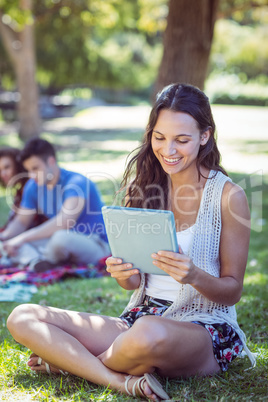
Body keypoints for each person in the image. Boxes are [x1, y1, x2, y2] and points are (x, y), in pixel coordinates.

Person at [6, 84, 255, 400]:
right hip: (138, 320)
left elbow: (232, 291)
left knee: (149, 333)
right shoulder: (145, 188)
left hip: (201, 327)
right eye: (159, 137)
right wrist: (126, 275)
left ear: (204, 136)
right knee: (23, 317)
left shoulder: (228, 196)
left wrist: (194, 275)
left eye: (182, 140)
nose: (168, 150)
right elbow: (135, 282)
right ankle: (121, 381)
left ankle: (69, 363)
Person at [1, 138, 110, 271]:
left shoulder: (76, 182)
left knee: (60, 238)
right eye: (28, 170)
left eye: (35, 168)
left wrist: (22, 238)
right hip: (54, 242)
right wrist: (4, 237)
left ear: (51, 161)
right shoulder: (33, 185)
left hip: (94, 243)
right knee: (9, 245)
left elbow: (64, 222)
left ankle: (35, 260)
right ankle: (38, 261)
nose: (32, 175)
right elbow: (21, 222)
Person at [0, 147, 47, 265]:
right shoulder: (20, 192)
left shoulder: (32, 186)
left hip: (40, 239)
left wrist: (7, 238)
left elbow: (24, 224)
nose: (3, 173)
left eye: (7, 167)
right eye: (0, 170)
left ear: (18, 166)